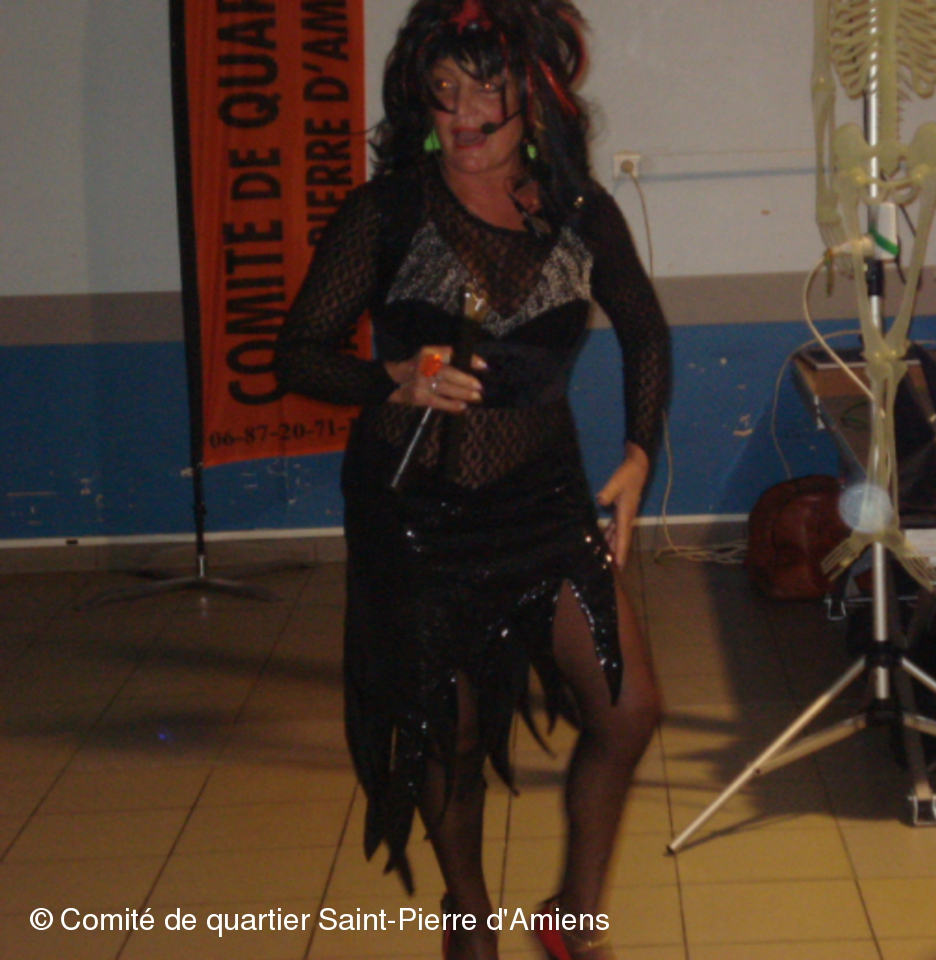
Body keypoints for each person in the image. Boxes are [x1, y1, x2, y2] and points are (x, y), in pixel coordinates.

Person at [275, 1, 670, 957]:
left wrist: (638, 456)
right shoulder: (388, 211)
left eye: (484, 89)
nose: (461, 114)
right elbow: (298, 354)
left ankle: (572, 916)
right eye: (442, 91)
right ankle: (469, 917)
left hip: (544, 502)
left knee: (629, 710)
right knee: (445, 732)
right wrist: (395, 378)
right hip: (416, 514)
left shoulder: (579, 211)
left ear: (532, 96)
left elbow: (647, 331)